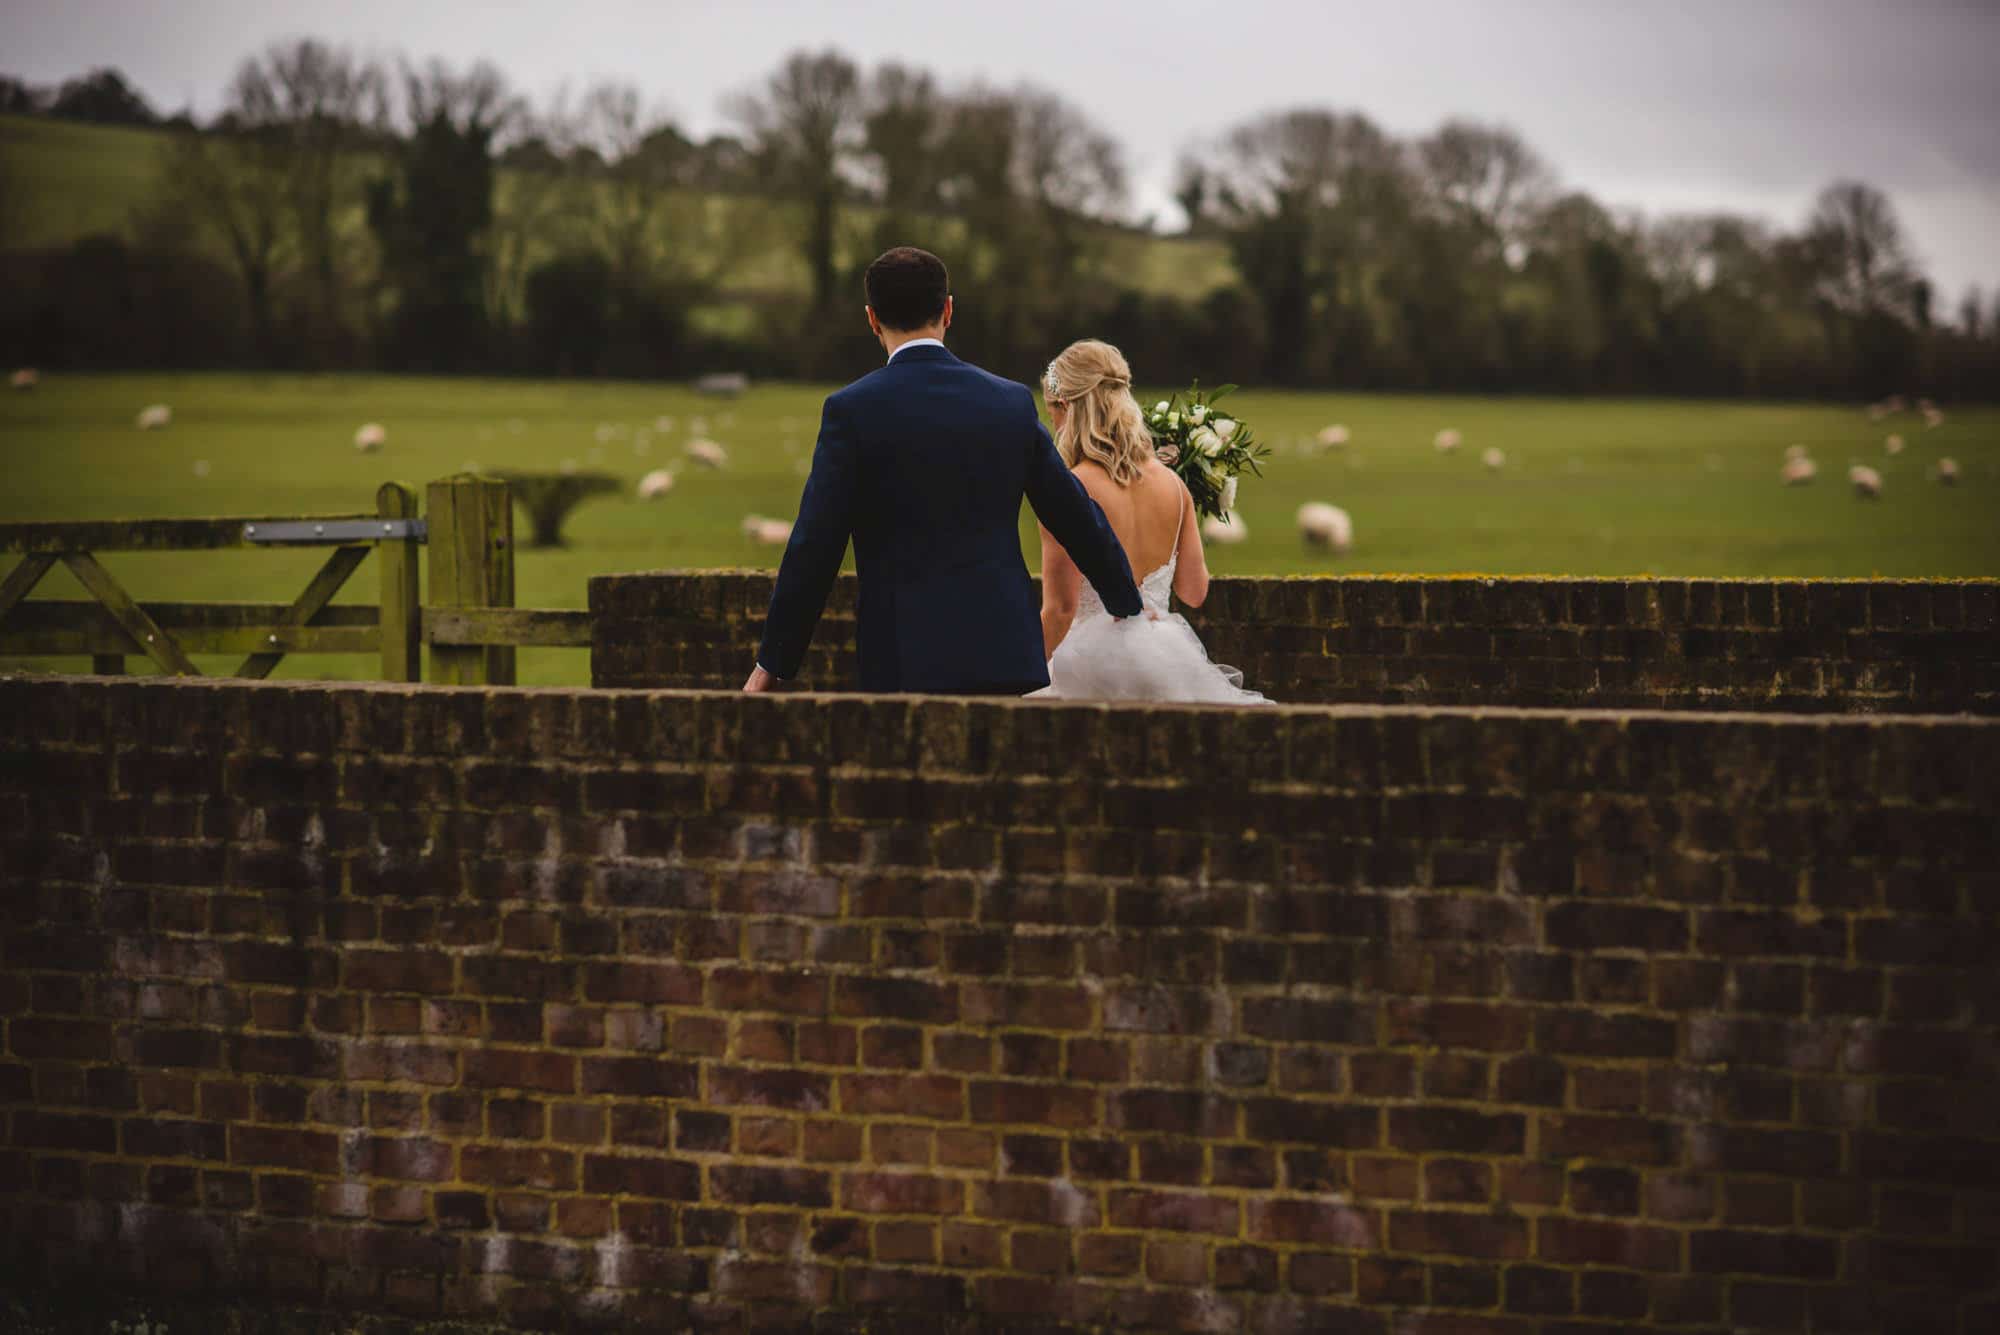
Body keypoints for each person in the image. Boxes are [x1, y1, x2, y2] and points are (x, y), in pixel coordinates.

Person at [744, 248, 1141, 695]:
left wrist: (773, 663)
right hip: (1004, 650)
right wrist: (1126, 602)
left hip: (903, 658)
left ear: (872, 319)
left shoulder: (852, 411)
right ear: (948, 309)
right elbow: (1074, 514)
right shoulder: (1009, 402)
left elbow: (814, 546)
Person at [1030, 340, 1271, 705]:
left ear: (1068, 407)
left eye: (1052, 412)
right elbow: (1194, 591)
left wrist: (1024, 674)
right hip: (1166, 663)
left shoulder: (1071, 490)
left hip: (1085, 670)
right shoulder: (1174, 485)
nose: (1053, 425)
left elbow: (1061, 610)